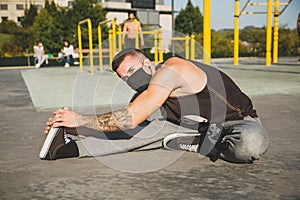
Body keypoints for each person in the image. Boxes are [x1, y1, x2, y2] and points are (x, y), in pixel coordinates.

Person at [40, 48, 268, 163]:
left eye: (131, 71)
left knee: (249, 145)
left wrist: (80, 118)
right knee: (139, 131)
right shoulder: (147, 92)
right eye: (124, 78)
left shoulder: (172, 70)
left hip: (236, 123)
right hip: (191, 126)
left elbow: (132, 116)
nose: (130, 79)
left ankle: (202, 144)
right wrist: (75, 128)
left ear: (147, 63)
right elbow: (126, 124)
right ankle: (69, 149)